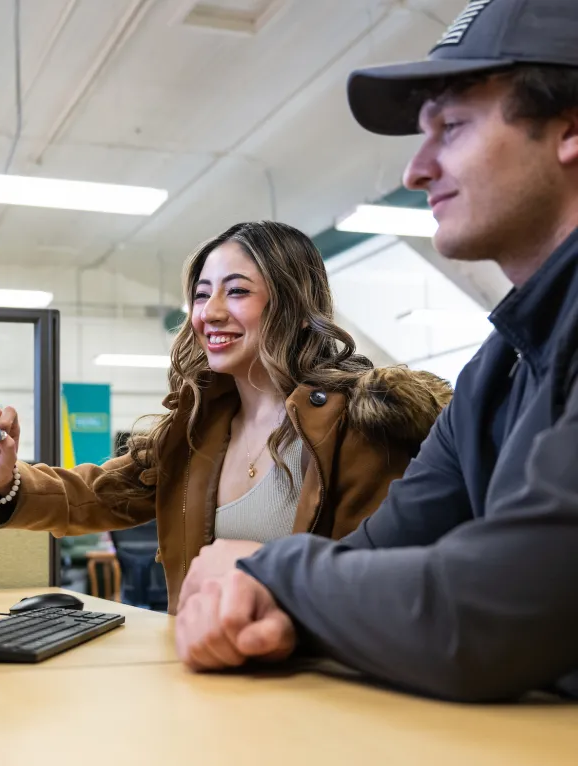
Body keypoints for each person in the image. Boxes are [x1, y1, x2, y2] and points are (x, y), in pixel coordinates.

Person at [174, 0, 578, 702]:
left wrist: (273, 576)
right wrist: (283, 606)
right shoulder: (499, 368)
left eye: (451, 127)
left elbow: (487, 614)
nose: (417, 170)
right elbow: (376, 557)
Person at [0, 221, 451, 614]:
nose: (209, 313)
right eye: (201, 295)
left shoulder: (356, 426)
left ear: (298, 308)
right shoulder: (196, 431)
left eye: (236, 292)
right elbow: (96, 495)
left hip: (315, 684)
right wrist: (5, 481)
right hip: (202, 679)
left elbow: (371, 579)